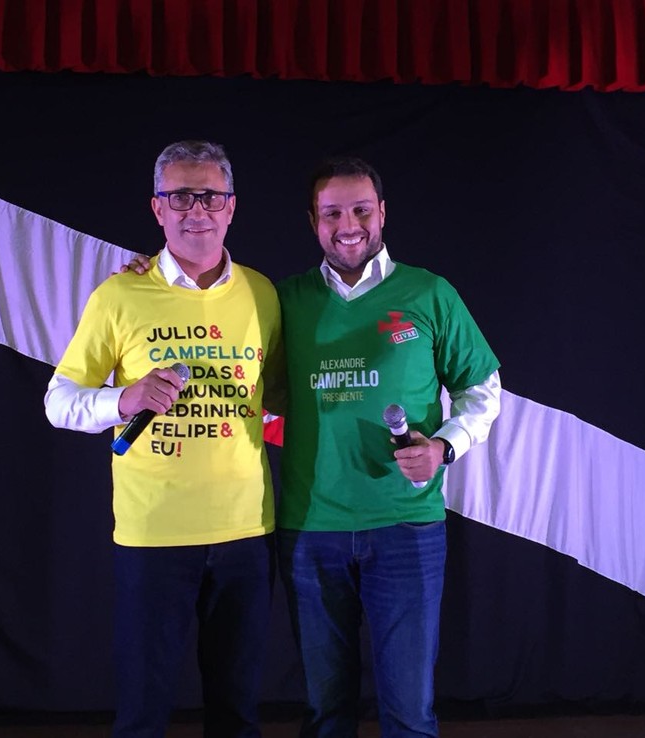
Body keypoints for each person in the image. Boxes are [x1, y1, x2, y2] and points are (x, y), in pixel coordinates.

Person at [123, 155, 500, 737]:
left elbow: (483, 388)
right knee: (326, 714)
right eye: (332, 214)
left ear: (382, 213)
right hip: (310, 531)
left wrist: (445, 447)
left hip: (406, 528)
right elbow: (241, 353)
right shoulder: (282, 300)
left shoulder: (429, 293)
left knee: (410, 713)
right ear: (312, 221)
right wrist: (150, 273)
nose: (348, 225)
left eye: (361, 210)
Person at [45, 140, 283, 738]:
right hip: (154, 536)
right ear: (157, 208)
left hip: (246, 534)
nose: (196, 210)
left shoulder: (262, 294)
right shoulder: (119, 295)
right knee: (143, 716)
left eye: (210, 197)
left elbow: (281, 398)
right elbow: (58, 402)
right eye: (180, 197)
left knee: (237, 715)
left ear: (232, 207)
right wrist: (121, 400)